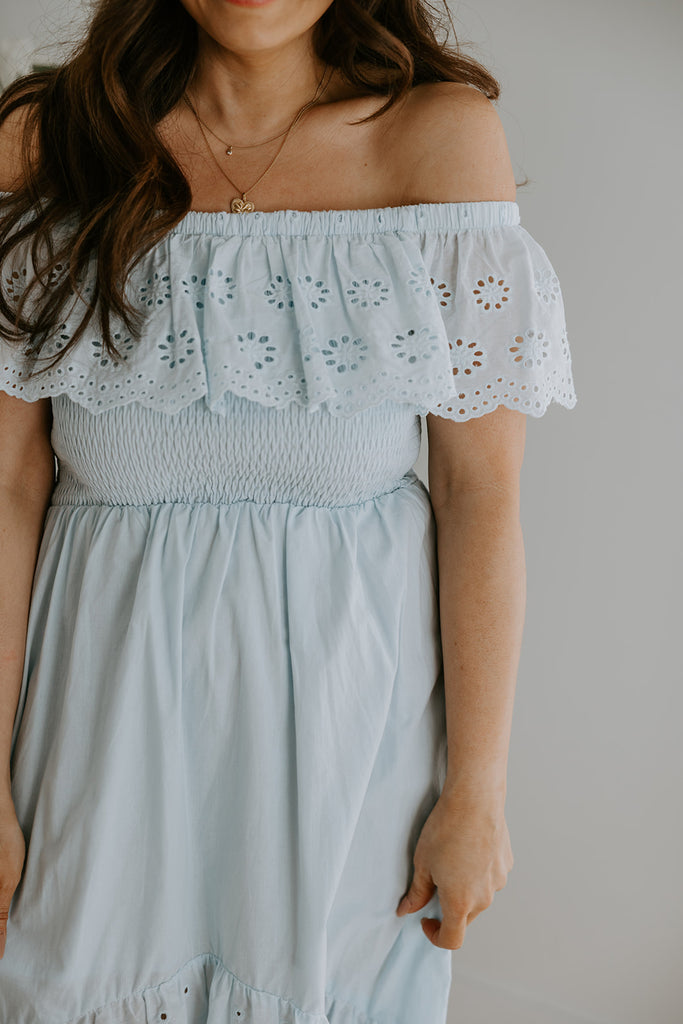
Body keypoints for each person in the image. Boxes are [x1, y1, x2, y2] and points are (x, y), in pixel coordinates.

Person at [0, 0, 577, 1021]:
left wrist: (476, 791)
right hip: (96, 735)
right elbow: (6, 488)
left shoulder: (435, 140)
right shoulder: (50, 139)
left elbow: (478, 494)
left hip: (350, 743)